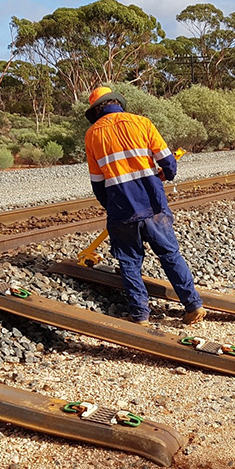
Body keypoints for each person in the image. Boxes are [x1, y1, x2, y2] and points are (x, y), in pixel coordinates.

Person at [84, 86, 206, 326]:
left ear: (96, 110)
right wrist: (164, 175)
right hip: (153, 205)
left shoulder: (92, 135)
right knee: (170, 254)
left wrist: (112, 207)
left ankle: (140, 316)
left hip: (121, 209)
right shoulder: (142, 123)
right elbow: (168, 164)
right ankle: (193, 306)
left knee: (129, 261)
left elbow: (98, 183)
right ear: (116, 102)